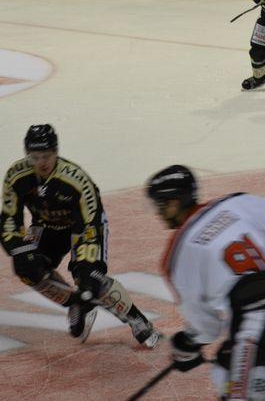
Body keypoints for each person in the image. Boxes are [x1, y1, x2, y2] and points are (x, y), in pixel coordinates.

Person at [146, 164, 265, 400]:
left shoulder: (178, 256)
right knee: (225, 370)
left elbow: (206, 328)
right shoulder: (237, 202)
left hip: (257, 321)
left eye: (159, 205)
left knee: (240, 394)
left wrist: (187, 345)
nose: (157, 213)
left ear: (174, 203)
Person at [1, 124, 160, 347]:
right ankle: (75, 303)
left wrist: (87, 270)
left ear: (56, 152)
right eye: (34, 157)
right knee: (27, 269)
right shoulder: (16, 176)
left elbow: (90, 222)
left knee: (89, 277)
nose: (41, 163)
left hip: (83, 227)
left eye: (46, 156)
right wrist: (19, 249)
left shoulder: (76, 180)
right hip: (44, 226)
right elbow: (8, 220)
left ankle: (136, 319)